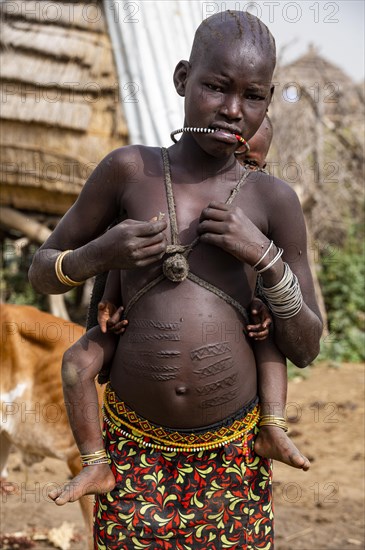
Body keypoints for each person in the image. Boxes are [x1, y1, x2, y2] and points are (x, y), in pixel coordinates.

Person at [29, 10, 322, 548]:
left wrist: (266, 260)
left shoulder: (273, 201)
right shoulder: (128, 170)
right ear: (183, 79)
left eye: (253, 96)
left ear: (269, 97)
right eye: (215, 87)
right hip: (129, 455)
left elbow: (305, 345)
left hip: (233, 457)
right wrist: (98, 254)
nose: (233, 110)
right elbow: (42, 270)